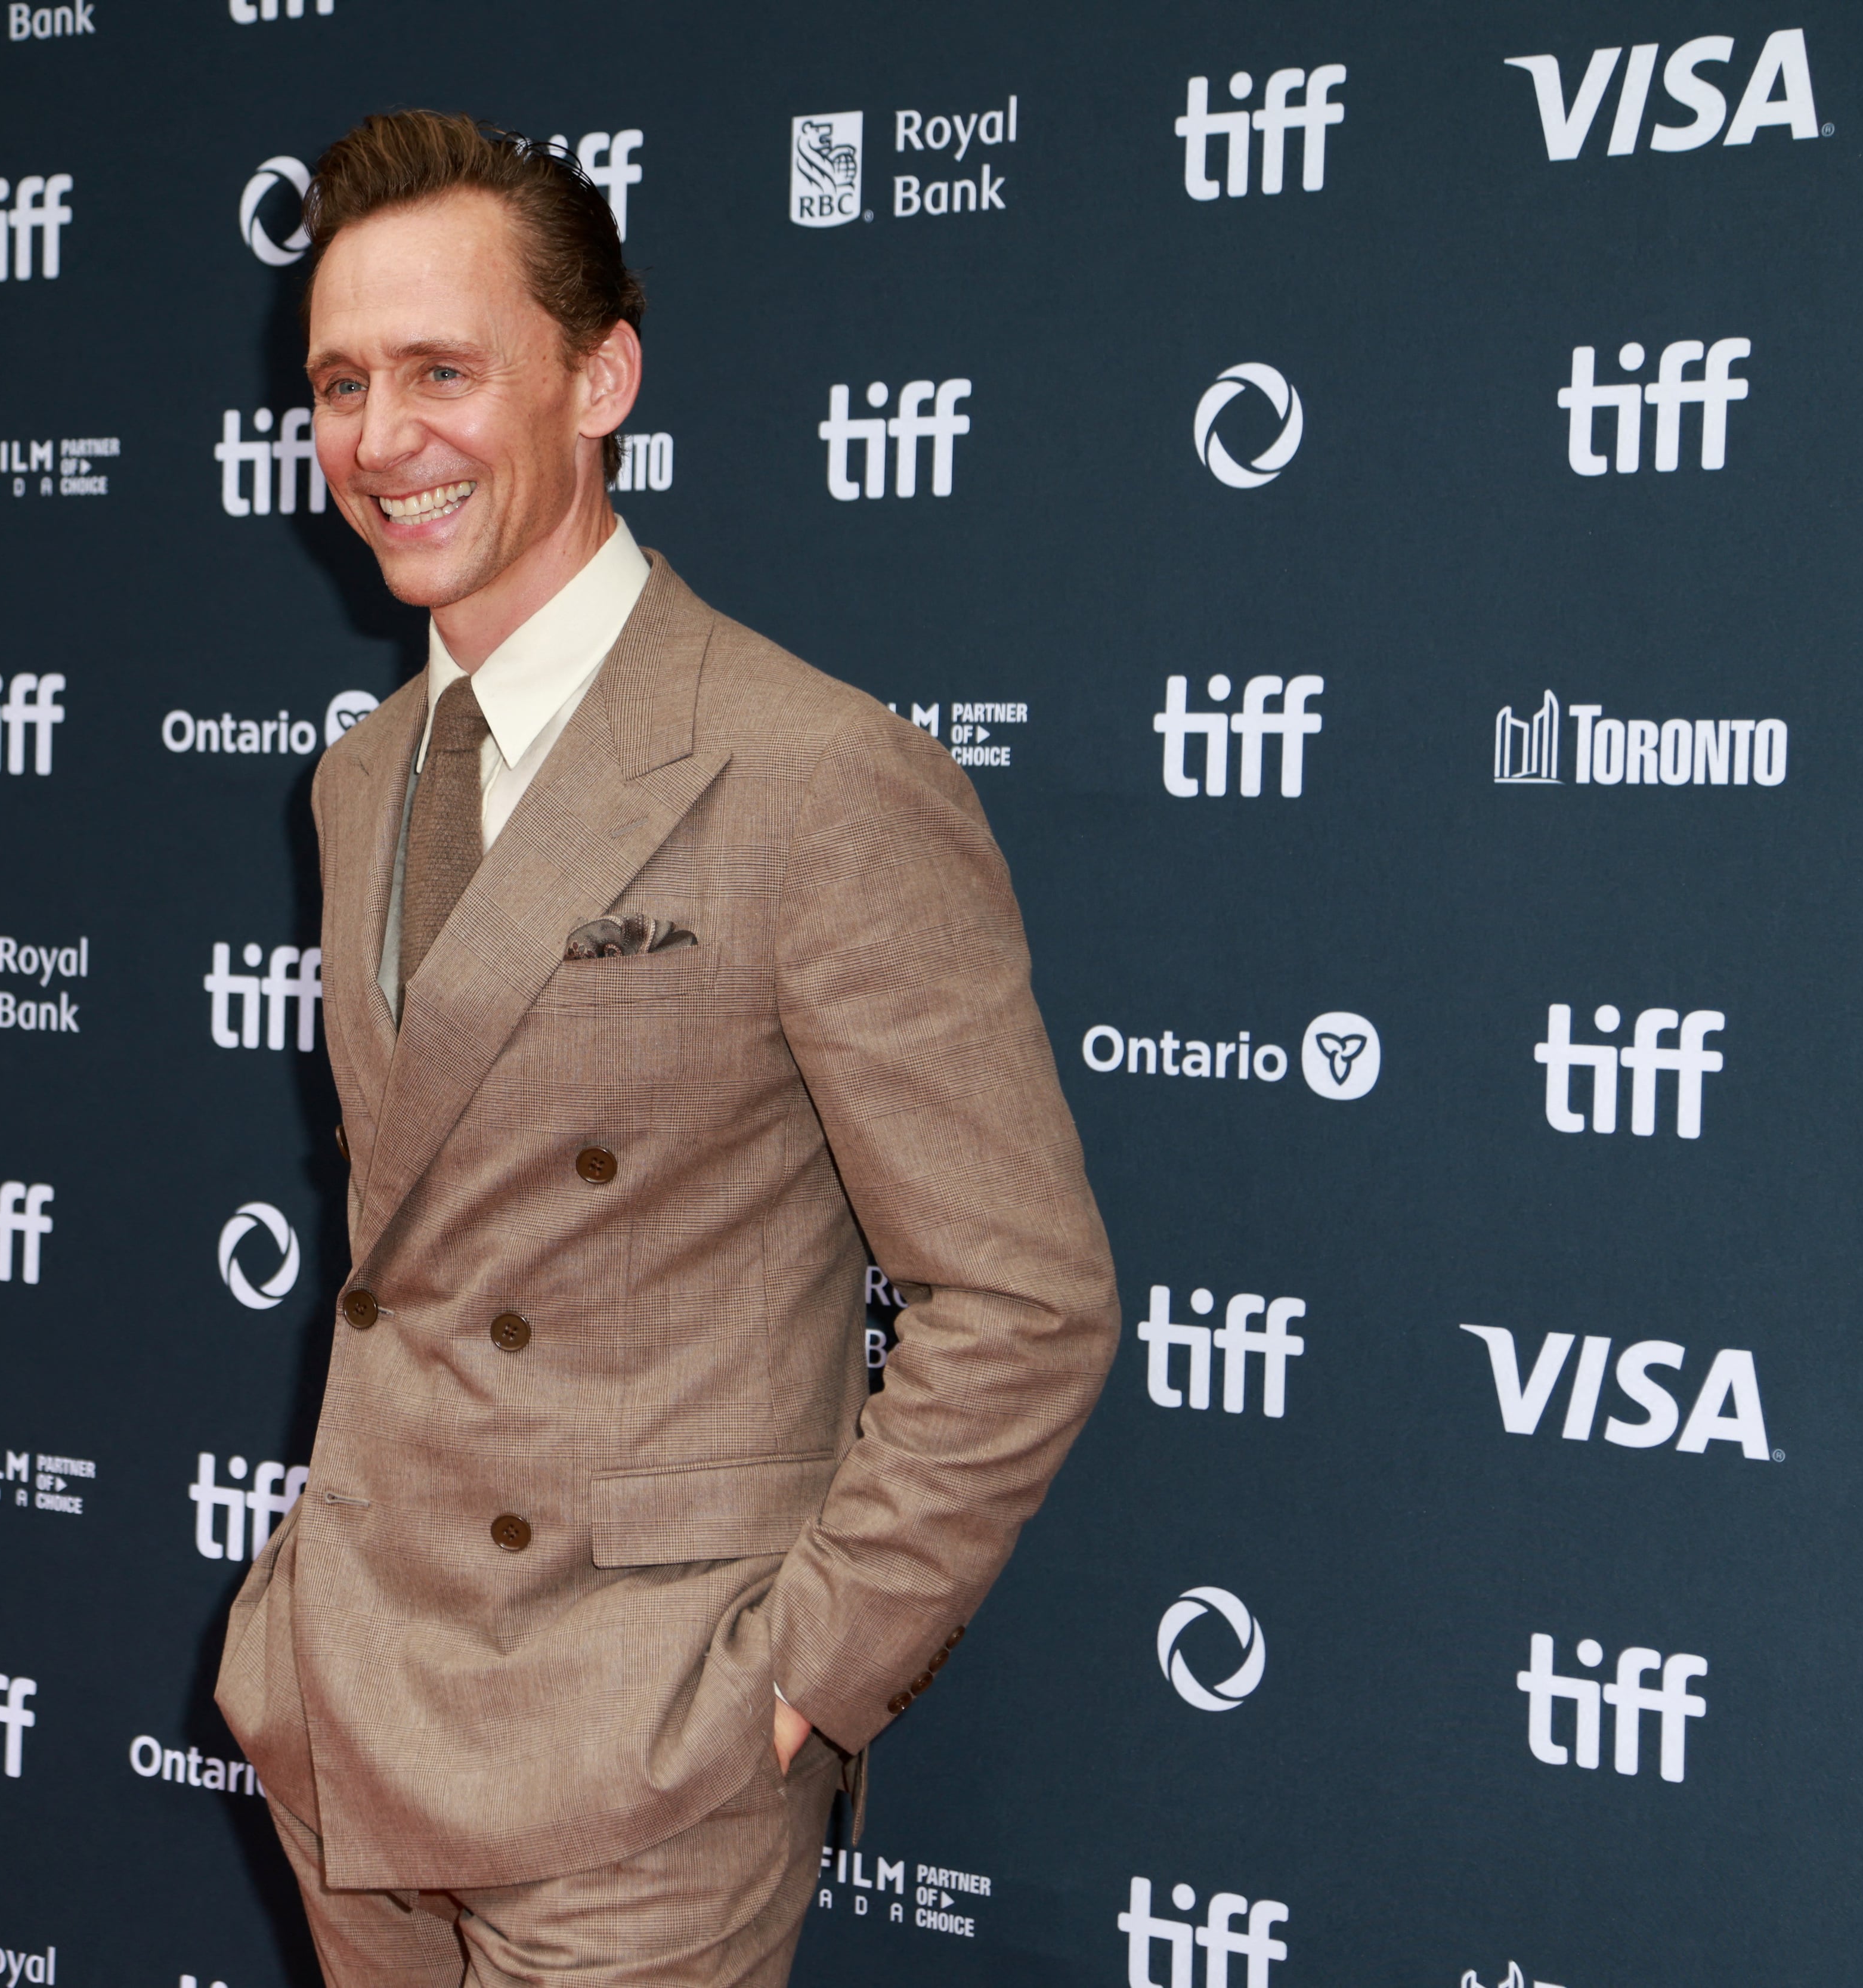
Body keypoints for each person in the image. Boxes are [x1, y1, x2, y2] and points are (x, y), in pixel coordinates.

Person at [215, 110, 1117, 1988]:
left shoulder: (818, 779)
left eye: (443, 372)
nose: (382, 442)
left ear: (601, 377)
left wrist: (796, 1688)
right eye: (341, 384)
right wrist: (291, 1635)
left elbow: (1020, 1297)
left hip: (641, 1768)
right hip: (348, 1713)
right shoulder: (365, 779)